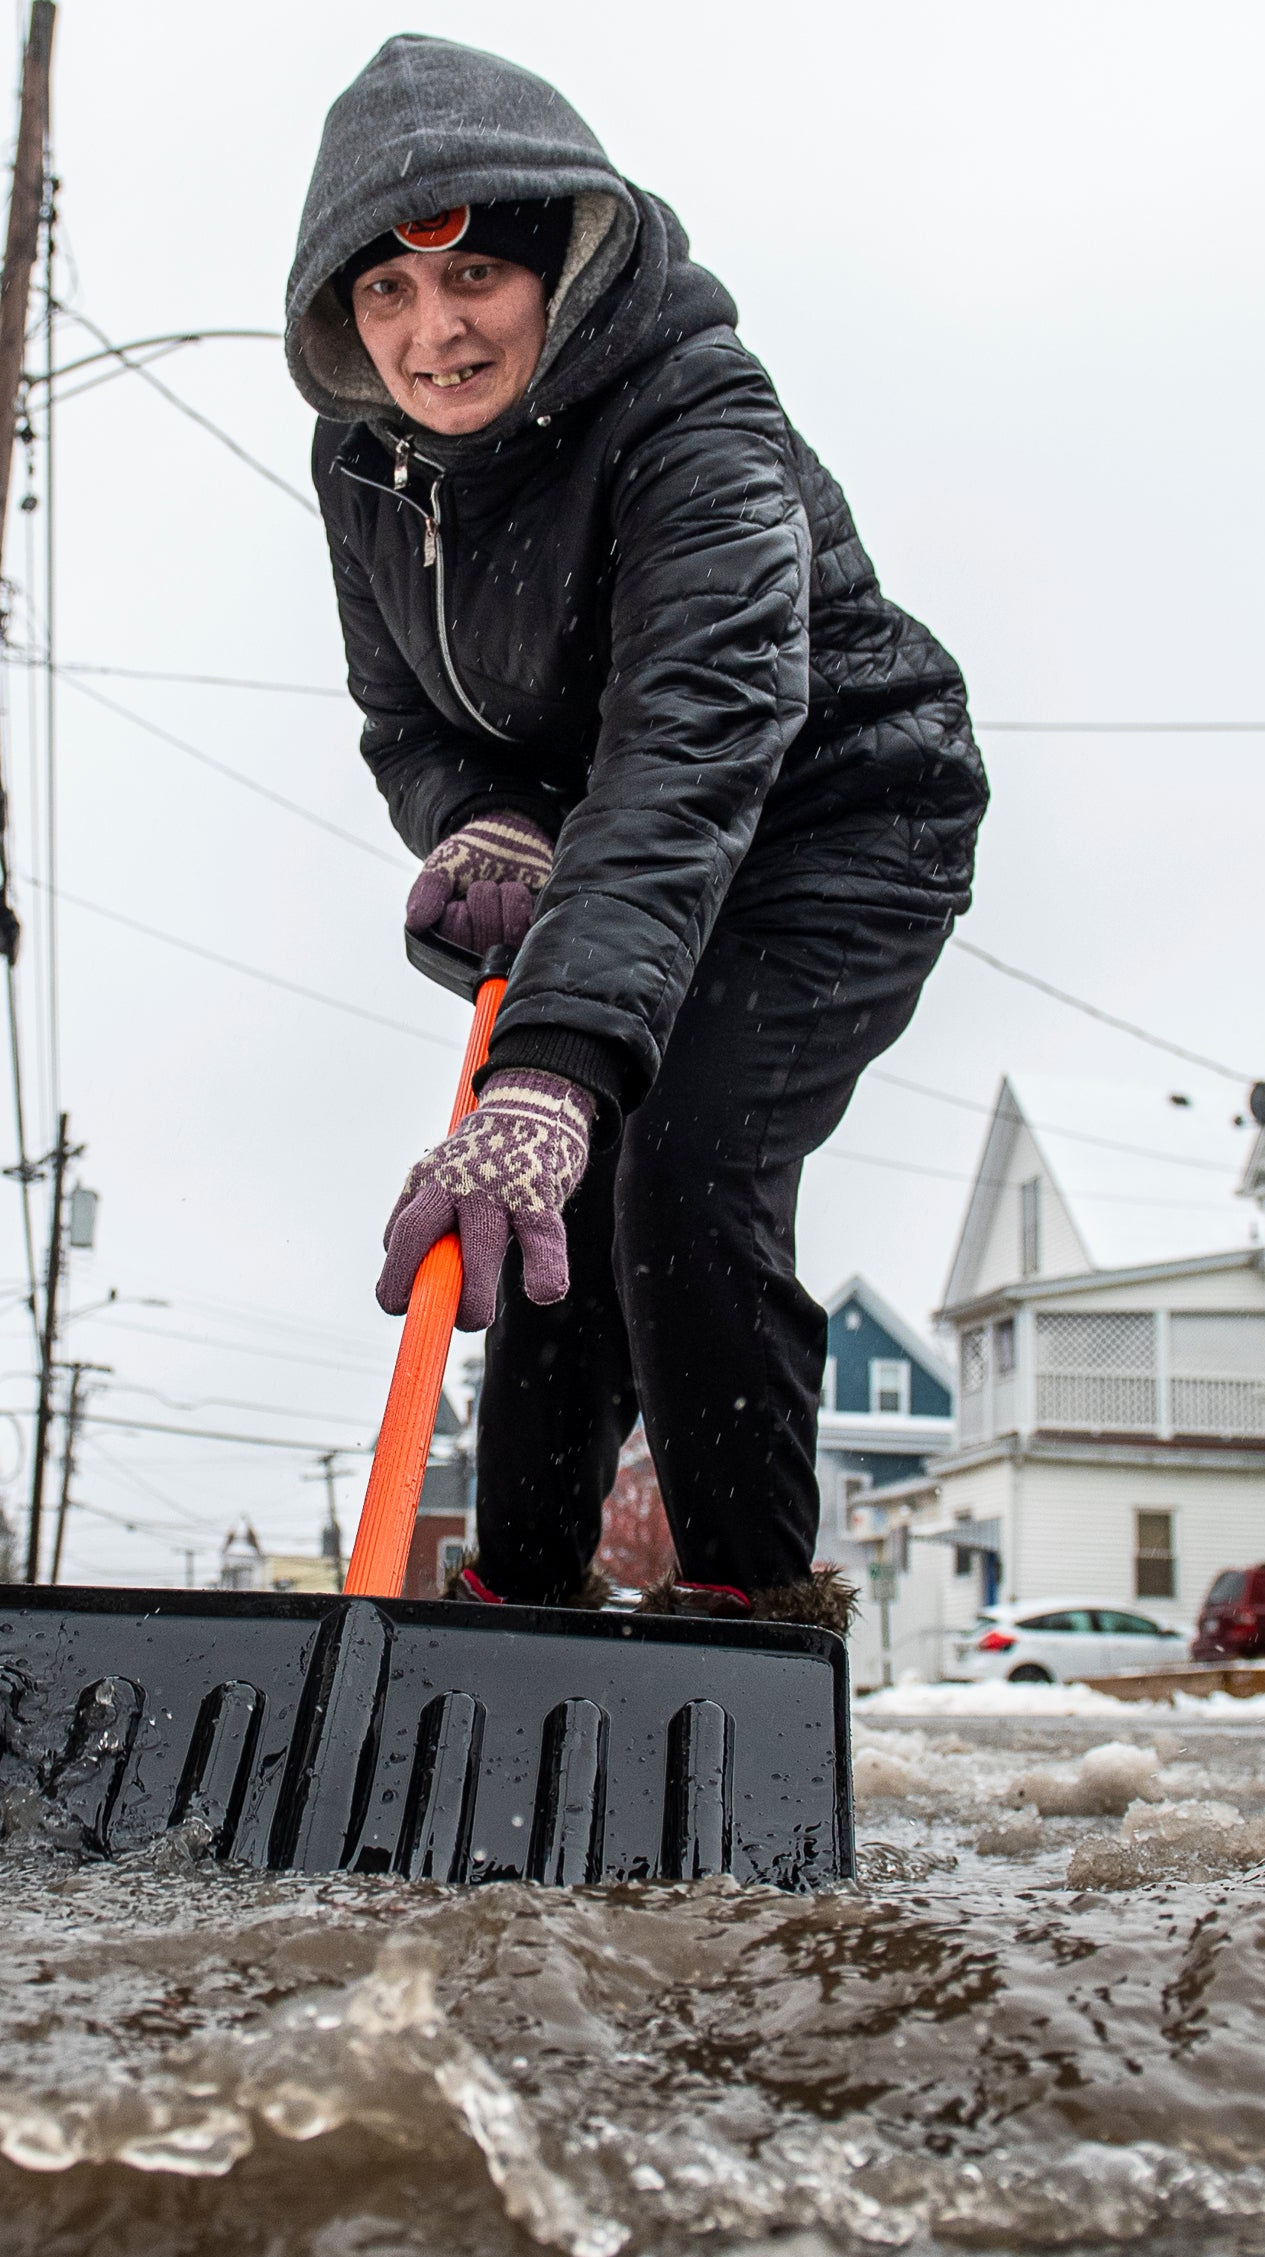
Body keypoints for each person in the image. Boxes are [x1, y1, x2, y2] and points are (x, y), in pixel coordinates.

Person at [293, 34, 987, 1629]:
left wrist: (556, 1058)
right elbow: (411, 716)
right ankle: (515, 1619)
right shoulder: (369, 470)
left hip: (837, 822)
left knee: (667, 1161)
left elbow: (697, 731)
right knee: (555, 1221)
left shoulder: (696, 415)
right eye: (386, 295)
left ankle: (751, 1620)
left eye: (473, 275)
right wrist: (481, 822)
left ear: (564, 258)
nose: (432, 330)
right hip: (623, 848)